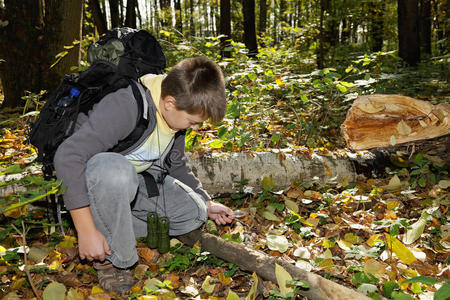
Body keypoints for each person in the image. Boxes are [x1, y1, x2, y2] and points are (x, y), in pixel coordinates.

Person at [54, 57, 234, 294]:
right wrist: (86, 229)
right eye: (193, 122)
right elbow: (67, 157)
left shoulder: (174, 118)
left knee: (194, 214)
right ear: (169, 103)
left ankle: (113, 228)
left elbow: (176, 165)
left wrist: (207, 201)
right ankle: (113, 258)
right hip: (95, 179)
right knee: (117, 171)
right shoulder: (126, 106)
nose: (195, 128)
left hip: (133, 183)